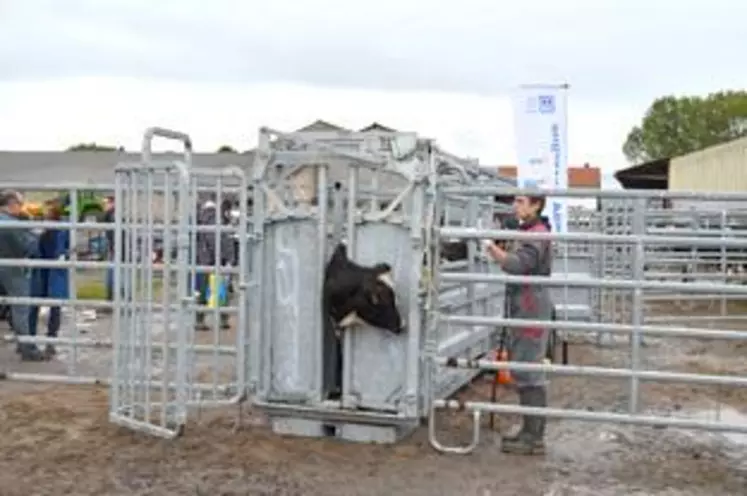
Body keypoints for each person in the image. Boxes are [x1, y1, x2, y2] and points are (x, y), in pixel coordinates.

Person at [483, 194, 553, 455]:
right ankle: (529, 432)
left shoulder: (537, 234)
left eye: (522, 201)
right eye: (516, 201)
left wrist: (492, 248)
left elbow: (518, 264)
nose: (516, 206)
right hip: (525, 303)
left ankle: (534, 437)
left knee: (528, 369)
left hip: (530, 306)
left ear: (536, 205)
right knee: (523, 367)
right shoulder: (529, 231)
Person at [0, 189, 45, 361]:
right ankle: (26, 347)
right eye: (20, 204)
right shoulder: (12, 224)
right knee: (20, 307)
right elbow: (27, 247)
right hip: (14, 268)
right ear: (12, 205)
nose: (21, 208)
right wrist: (36, 235)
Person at [28, 197, 70, 358]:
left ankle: (51, 341)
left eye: (48, 210)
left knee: (55, 307)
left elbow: (69, 248)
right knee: (33, 305)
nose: (45, 213)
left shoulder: (63, 228)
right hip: (40, 270)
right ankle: (29, 340)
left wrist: (64, 256)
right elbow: (31, 247)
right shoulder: (38, 228)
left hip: (55, 271)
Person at [194, 198, 235, 330]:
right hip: (215, 260)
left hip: (203, 259)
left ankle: (200, 319)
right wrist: (227, 258)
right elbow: (219, 240)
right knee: (221, 288)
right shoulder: (215, 219)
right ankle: (223, 319)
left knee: (204, 290)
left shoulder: (200, 218)